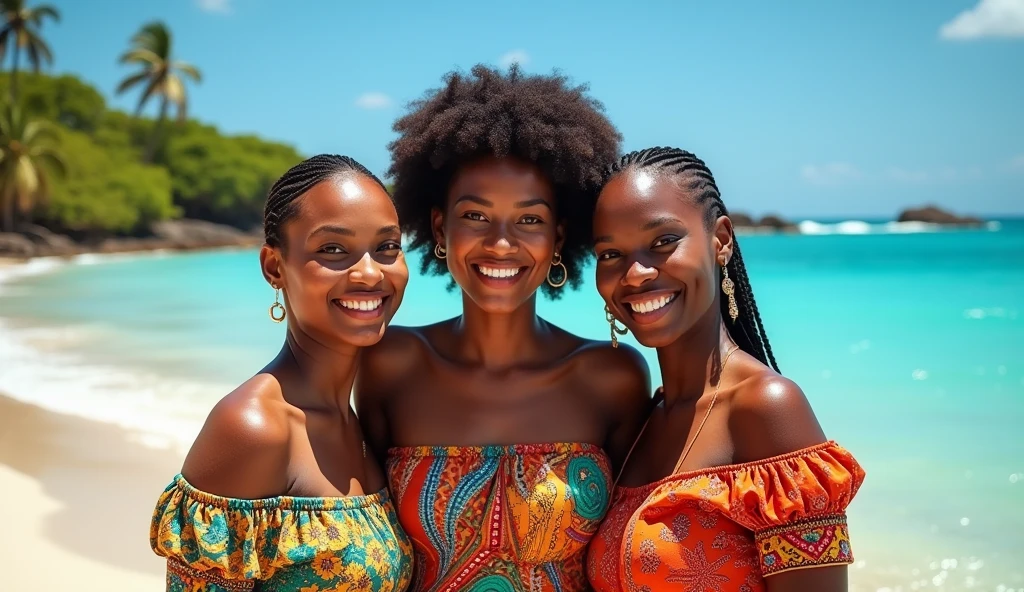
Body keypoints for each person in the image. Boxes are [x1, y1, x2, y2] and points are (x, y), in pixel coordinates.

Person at [354, 65, 651, 592]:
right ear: (441, 228)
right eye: (476, 216)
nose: (501, 244)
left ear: (559, 238)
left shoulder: (612, 376)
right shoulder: (389, 364)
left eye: (530, 220)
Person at [585, 147, 866, 592]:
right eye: (610, 254)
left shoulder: (768, 408)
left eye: (662, 242)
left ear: (720, 240)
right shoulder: (642, 422)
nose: (635, 273)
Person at [150, 155, 414, 592]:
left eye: (387, 247)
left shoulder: (360, 418)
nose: (370, 272)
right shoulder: (255, 428)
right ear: (275, 267)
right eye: (333, 249)